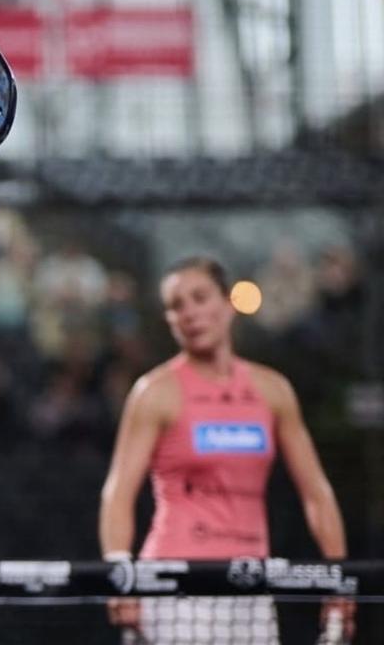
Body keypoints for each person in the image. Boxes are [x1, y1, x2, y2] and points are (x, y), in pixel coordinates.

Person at [98, 257, 354, 644]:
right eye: (177, 305)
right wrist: (120, 572)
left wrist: (338, 581)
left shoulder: (273, 391)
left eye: (200, 298)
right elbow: (117, 493)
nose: (190, 313)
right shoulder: (155, 392)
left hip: (252, 584)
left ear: (228, 303)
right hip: (177, 584)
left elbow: (316, 492)